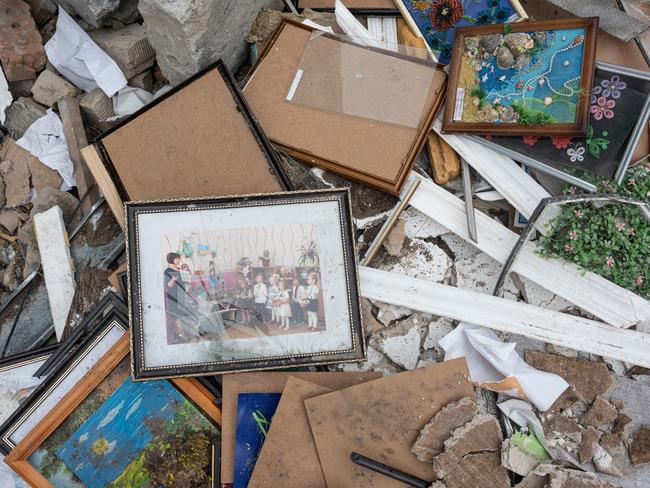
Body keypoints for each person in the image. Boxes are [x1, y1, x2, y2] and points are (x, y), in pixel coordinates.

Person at [163, 252, 193, 342]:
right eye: (177, 258)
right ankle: (181, 334)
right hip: (173, 296)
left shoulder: (179, 269)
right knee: (177, 316)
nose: (179, 260)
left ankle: (183, 333)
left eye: (179, 258)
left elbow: (186, 281)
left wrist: (188, 275)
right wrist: (172, 280)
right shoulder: (167, 271)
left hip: (181, 294)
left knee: (182, 314)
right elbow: (168, 285)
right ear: (172, 259)